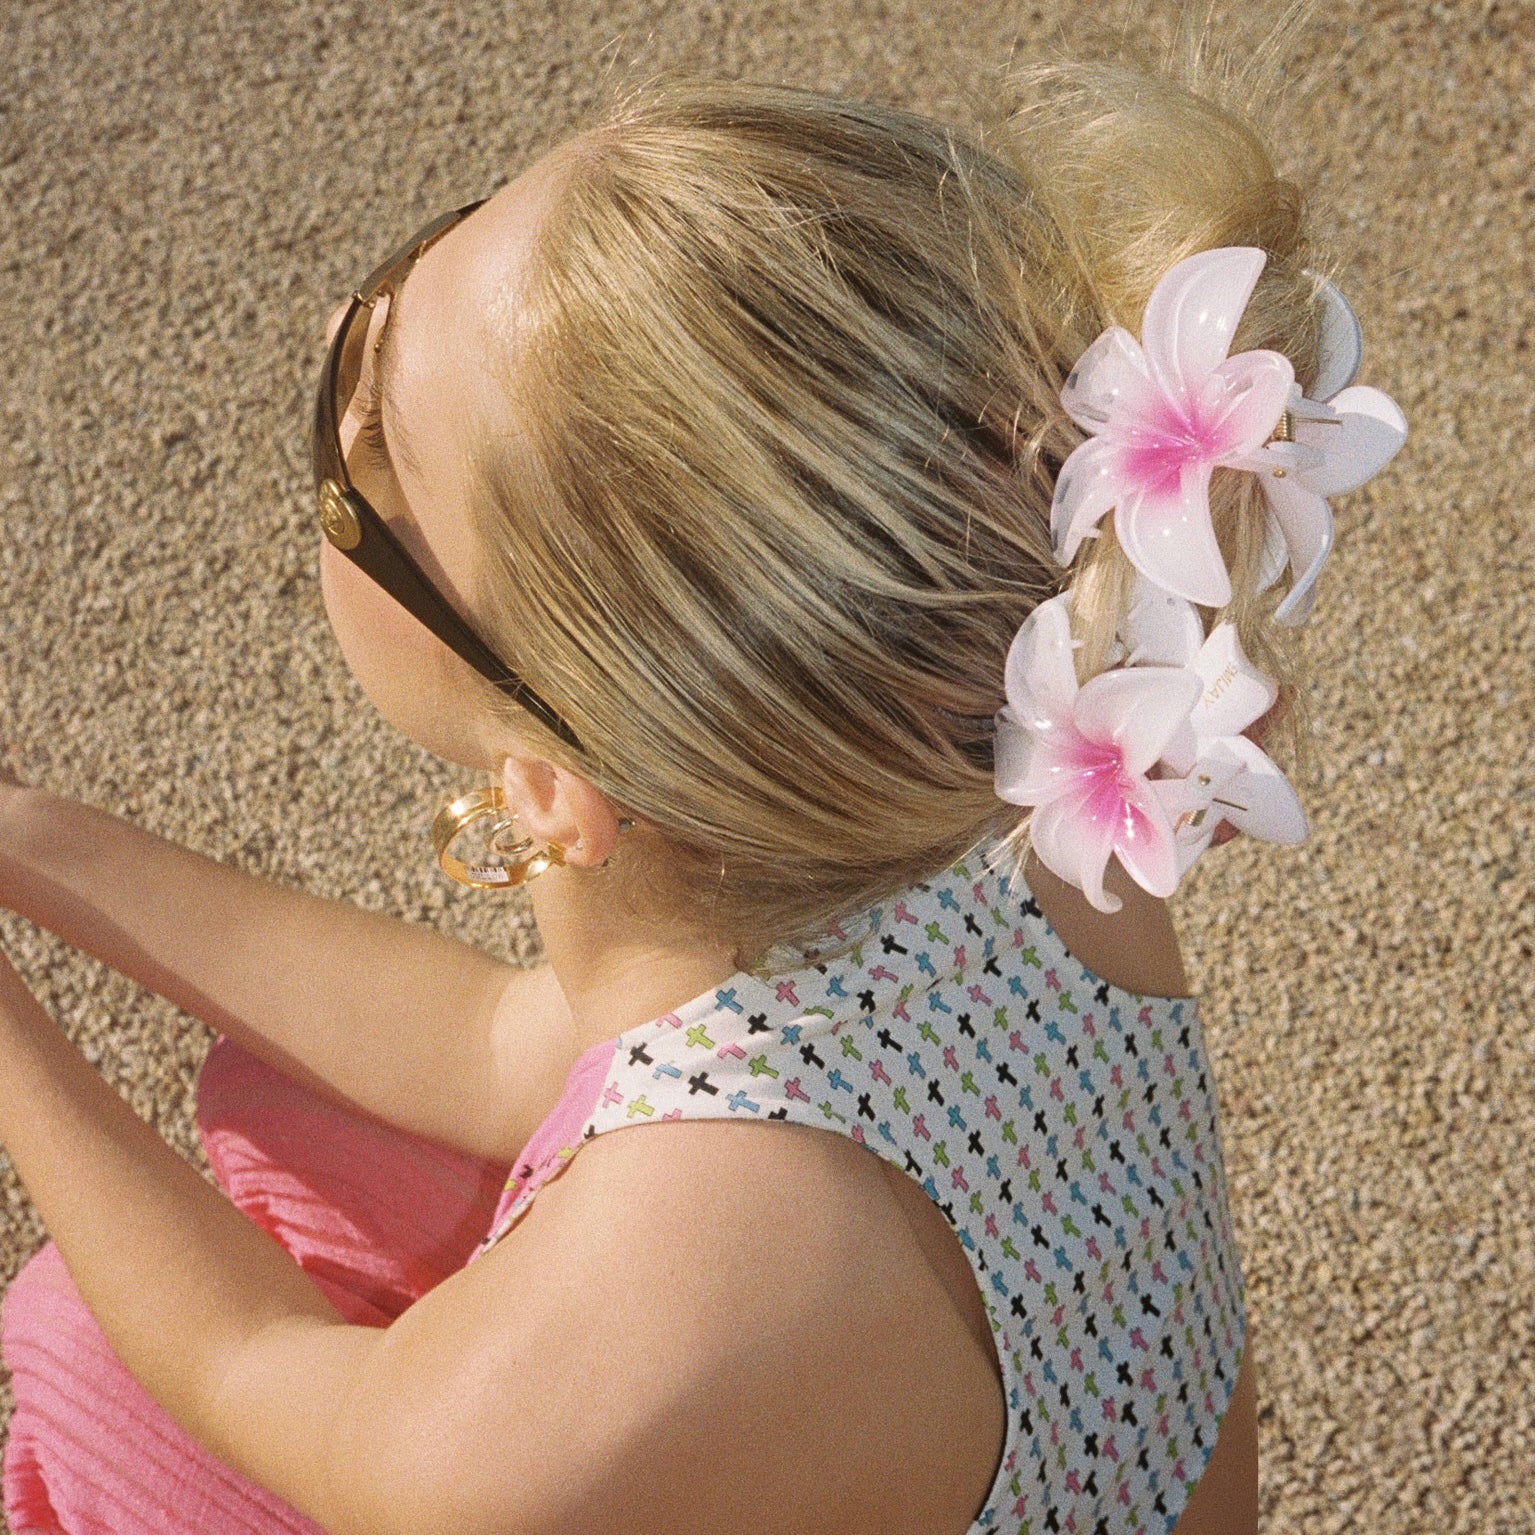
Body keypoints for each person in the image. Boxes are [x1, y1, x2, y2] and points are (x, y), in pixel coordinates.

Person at [0, 9, 1405, 1534]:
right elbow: (501, 1043)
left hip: (649, 1391)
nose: (355, 351)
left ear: (552, 785)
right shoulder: (1027, 786)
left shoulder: (643, 1320)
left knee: (84, 1348)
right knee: (303, 1105)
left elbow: (258, 1370)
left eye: (372, 454)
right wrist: (28, 837)